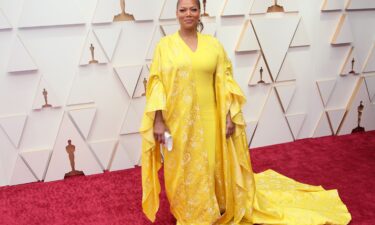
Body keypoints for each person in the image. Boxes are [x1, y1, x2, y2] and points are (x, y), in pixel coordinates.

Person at [140, 0, 352, 224]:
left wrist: (230, 116)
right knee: (181, 167)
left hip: (212, 117)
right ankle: (188, 212)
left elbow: (226, 82)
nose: (188, 14)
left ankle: (213, 205)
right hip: (179, 120)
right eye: (183, 10)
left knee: (211, 164)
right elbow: (157, 85)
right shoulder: (164, 46)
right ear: (176, 13)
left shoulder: (213, 46)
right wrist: (158, 121)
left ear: (200, 13)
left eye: (193, 9)